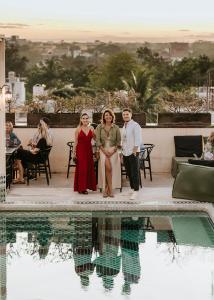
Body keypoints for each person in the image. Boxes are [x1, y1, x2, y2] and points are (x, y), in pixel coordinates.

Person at [96, 109, 121, 197]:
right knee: (108, 167)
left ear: (112, 117)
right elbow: (97, 141)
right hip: (103, 149)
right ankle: (109, 188)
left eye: (109, 115)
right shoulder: (99, 127)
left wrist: (113, 151)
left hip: (113, 150)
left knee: (109, 169)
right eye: (106, 115)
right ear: (103, 117)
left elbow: (118, 142)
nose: (108, 116)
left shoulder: (116, 127)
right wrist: (104, 151)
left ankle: (107, 188)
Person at [121, 108, 142, 200]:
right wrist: (121, 152)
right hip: (125, 152)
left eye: (127, 114)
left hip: (133, 152)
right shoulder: (124, 126)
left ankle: (136, 191)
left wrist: (134, 151)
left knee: (135, 172)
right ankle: (132, 188)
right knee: (129, 172)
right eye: (124, 114)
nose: (125, 116)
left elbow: (138, 139)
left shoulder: (135, 125)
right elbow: (123, 140)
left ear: (131, 115)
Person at [73, 113, 96, 194]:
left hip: (89, 150)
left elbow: (96, 139)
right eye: (83, 118)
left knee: (88, 168)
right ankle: (81, 188)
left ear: (88, 119)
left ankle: (87, 186)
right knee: (82, 169)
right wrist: (74, 153)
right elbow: (75, 142)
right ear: (81, 119)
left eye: (86, 118)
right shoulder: (78, 129)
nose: (85, 120)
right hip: (81, 151)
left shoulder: (92, 128)